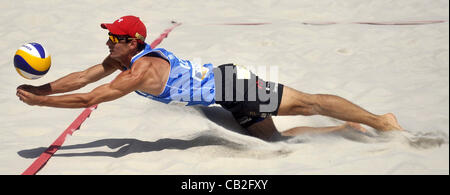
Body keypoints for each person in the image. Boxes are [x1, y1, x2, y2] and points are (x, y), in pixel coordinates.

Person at [16, 15, 403, 141]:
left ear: (132, 42)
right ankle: (345, 129)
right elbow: (82, 78)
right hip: (225, 91)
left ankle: (381, 120)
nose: (108, 42)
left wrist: (41, 103)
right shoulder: (124, 60)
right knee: (275, 140)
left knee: (309, 102)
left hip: (231, 84)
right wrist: (42, 87)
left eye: (114, 38)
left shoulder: (140, 71)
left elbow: (90, 99)